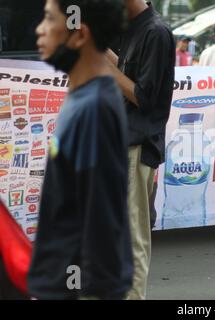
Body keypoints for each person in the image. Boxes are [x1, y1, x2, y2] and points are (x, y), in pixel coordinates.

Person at [28, 0, 133, 300]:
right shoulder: (85, 97)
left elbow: (100, 214)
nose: (39, 30)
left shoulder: (95, 108)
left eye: (49, 19)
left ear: (79, 34)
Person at [105, 0, 176, 300]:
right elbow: (125, 72)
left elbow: (144, 97)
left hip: (137, 148)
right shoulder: (133, 29)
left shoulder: (157, 32)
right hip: (121, 145)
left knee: (133, 240)